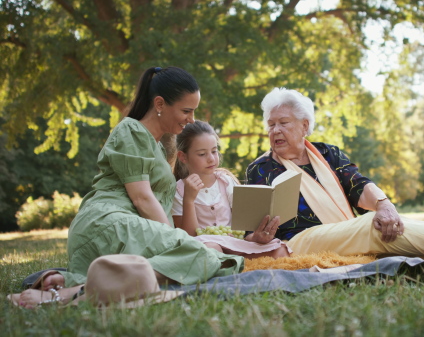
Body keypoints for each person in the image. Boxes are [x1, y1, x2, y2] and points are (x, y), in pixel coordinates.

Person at [9, 67, 257, 308]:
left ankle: (69, 282)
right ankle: (74, 293)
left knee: (209, 255)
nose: (191, 119)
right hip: (108, 222)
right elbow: (142, 198)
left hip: (129, 228)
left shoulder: (158, 147)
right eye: (186, 110)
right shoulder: (131, 130)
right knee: (202, 255)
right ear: (159, 104)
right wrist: (175, 240)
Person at [244, 87, 424, 258]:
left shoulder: (328, 153)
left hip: (348, 231)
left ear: (305, 126)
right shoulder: (260, 168)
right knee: (372, 225)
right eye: (271, 125)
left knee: (388, 225)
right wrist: (256, 236)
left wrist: (385, 205)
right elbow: (250, 229)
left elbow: (358, 185)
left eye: (283, 122)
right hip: (298, 242)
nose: (275, 130)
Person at [171, 120, 290, 258]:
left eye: (214, 151)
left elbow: (243, 233)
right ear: (183, 157)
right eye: (202, 154)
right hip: (205, 247)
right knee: (212, 251)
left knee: (280, 248)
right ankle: (231, 270)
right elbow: (189, 238)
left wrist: (256, 237)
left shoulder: (225, 182)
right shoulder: (178, 191)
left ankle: (237, 266)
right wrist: (189, 200)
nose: (211, 159)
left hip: (234, 244)